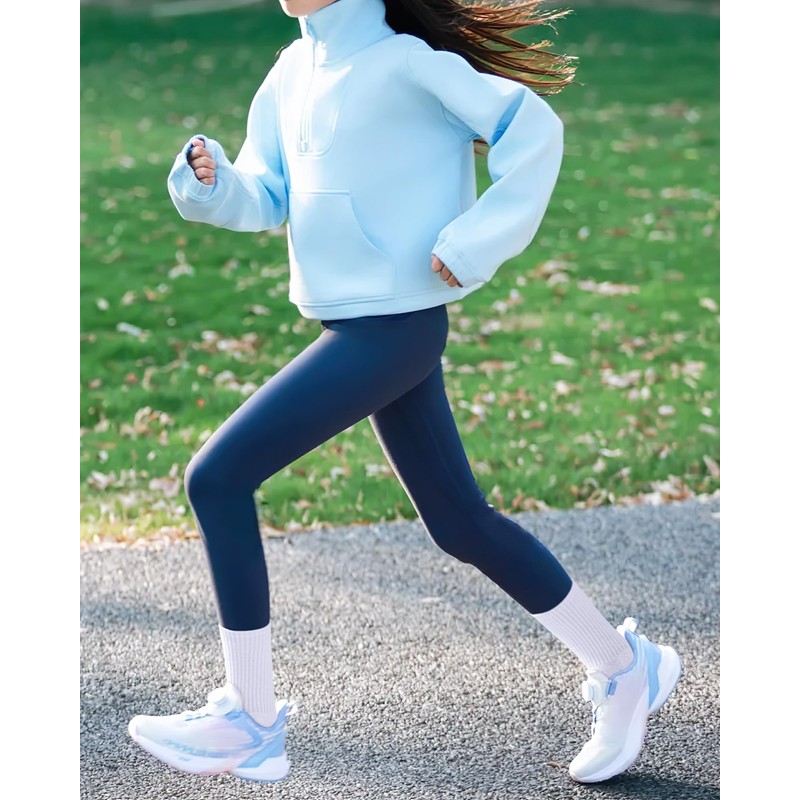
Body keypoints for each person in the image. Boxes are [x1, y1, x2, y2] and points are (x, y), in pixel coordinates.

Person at [127, 0, 682, 786]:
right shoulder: (292, 71)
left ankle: (250, 721)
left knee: (217, 478)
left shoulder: (408, 64)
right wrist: (210, 182)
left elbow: (533, 130)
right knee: (460, 523)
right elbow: (269, 192)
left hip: (396, 330)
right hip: (357, 324)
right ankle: (626, 666)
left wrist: (476, 240)